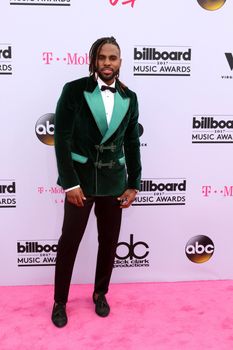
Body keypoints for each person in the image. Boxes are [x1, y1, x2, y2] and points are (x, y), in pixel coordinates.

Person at [51, 36, 142, 328]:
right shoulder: (74, 90)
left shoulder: (130, 97)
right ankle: (59, 302)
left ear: (120, 62)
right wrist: (70, 184)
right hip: (80, 183)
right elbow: (62, 139)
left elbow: (132, 142)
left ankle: (100, 293)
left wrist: (134, 183)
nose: (107, 63)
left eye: (112, 58)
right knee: (69, 242)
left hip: (114, 183)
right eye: (102, 57)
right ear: (93, 60)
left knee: (108, 242)